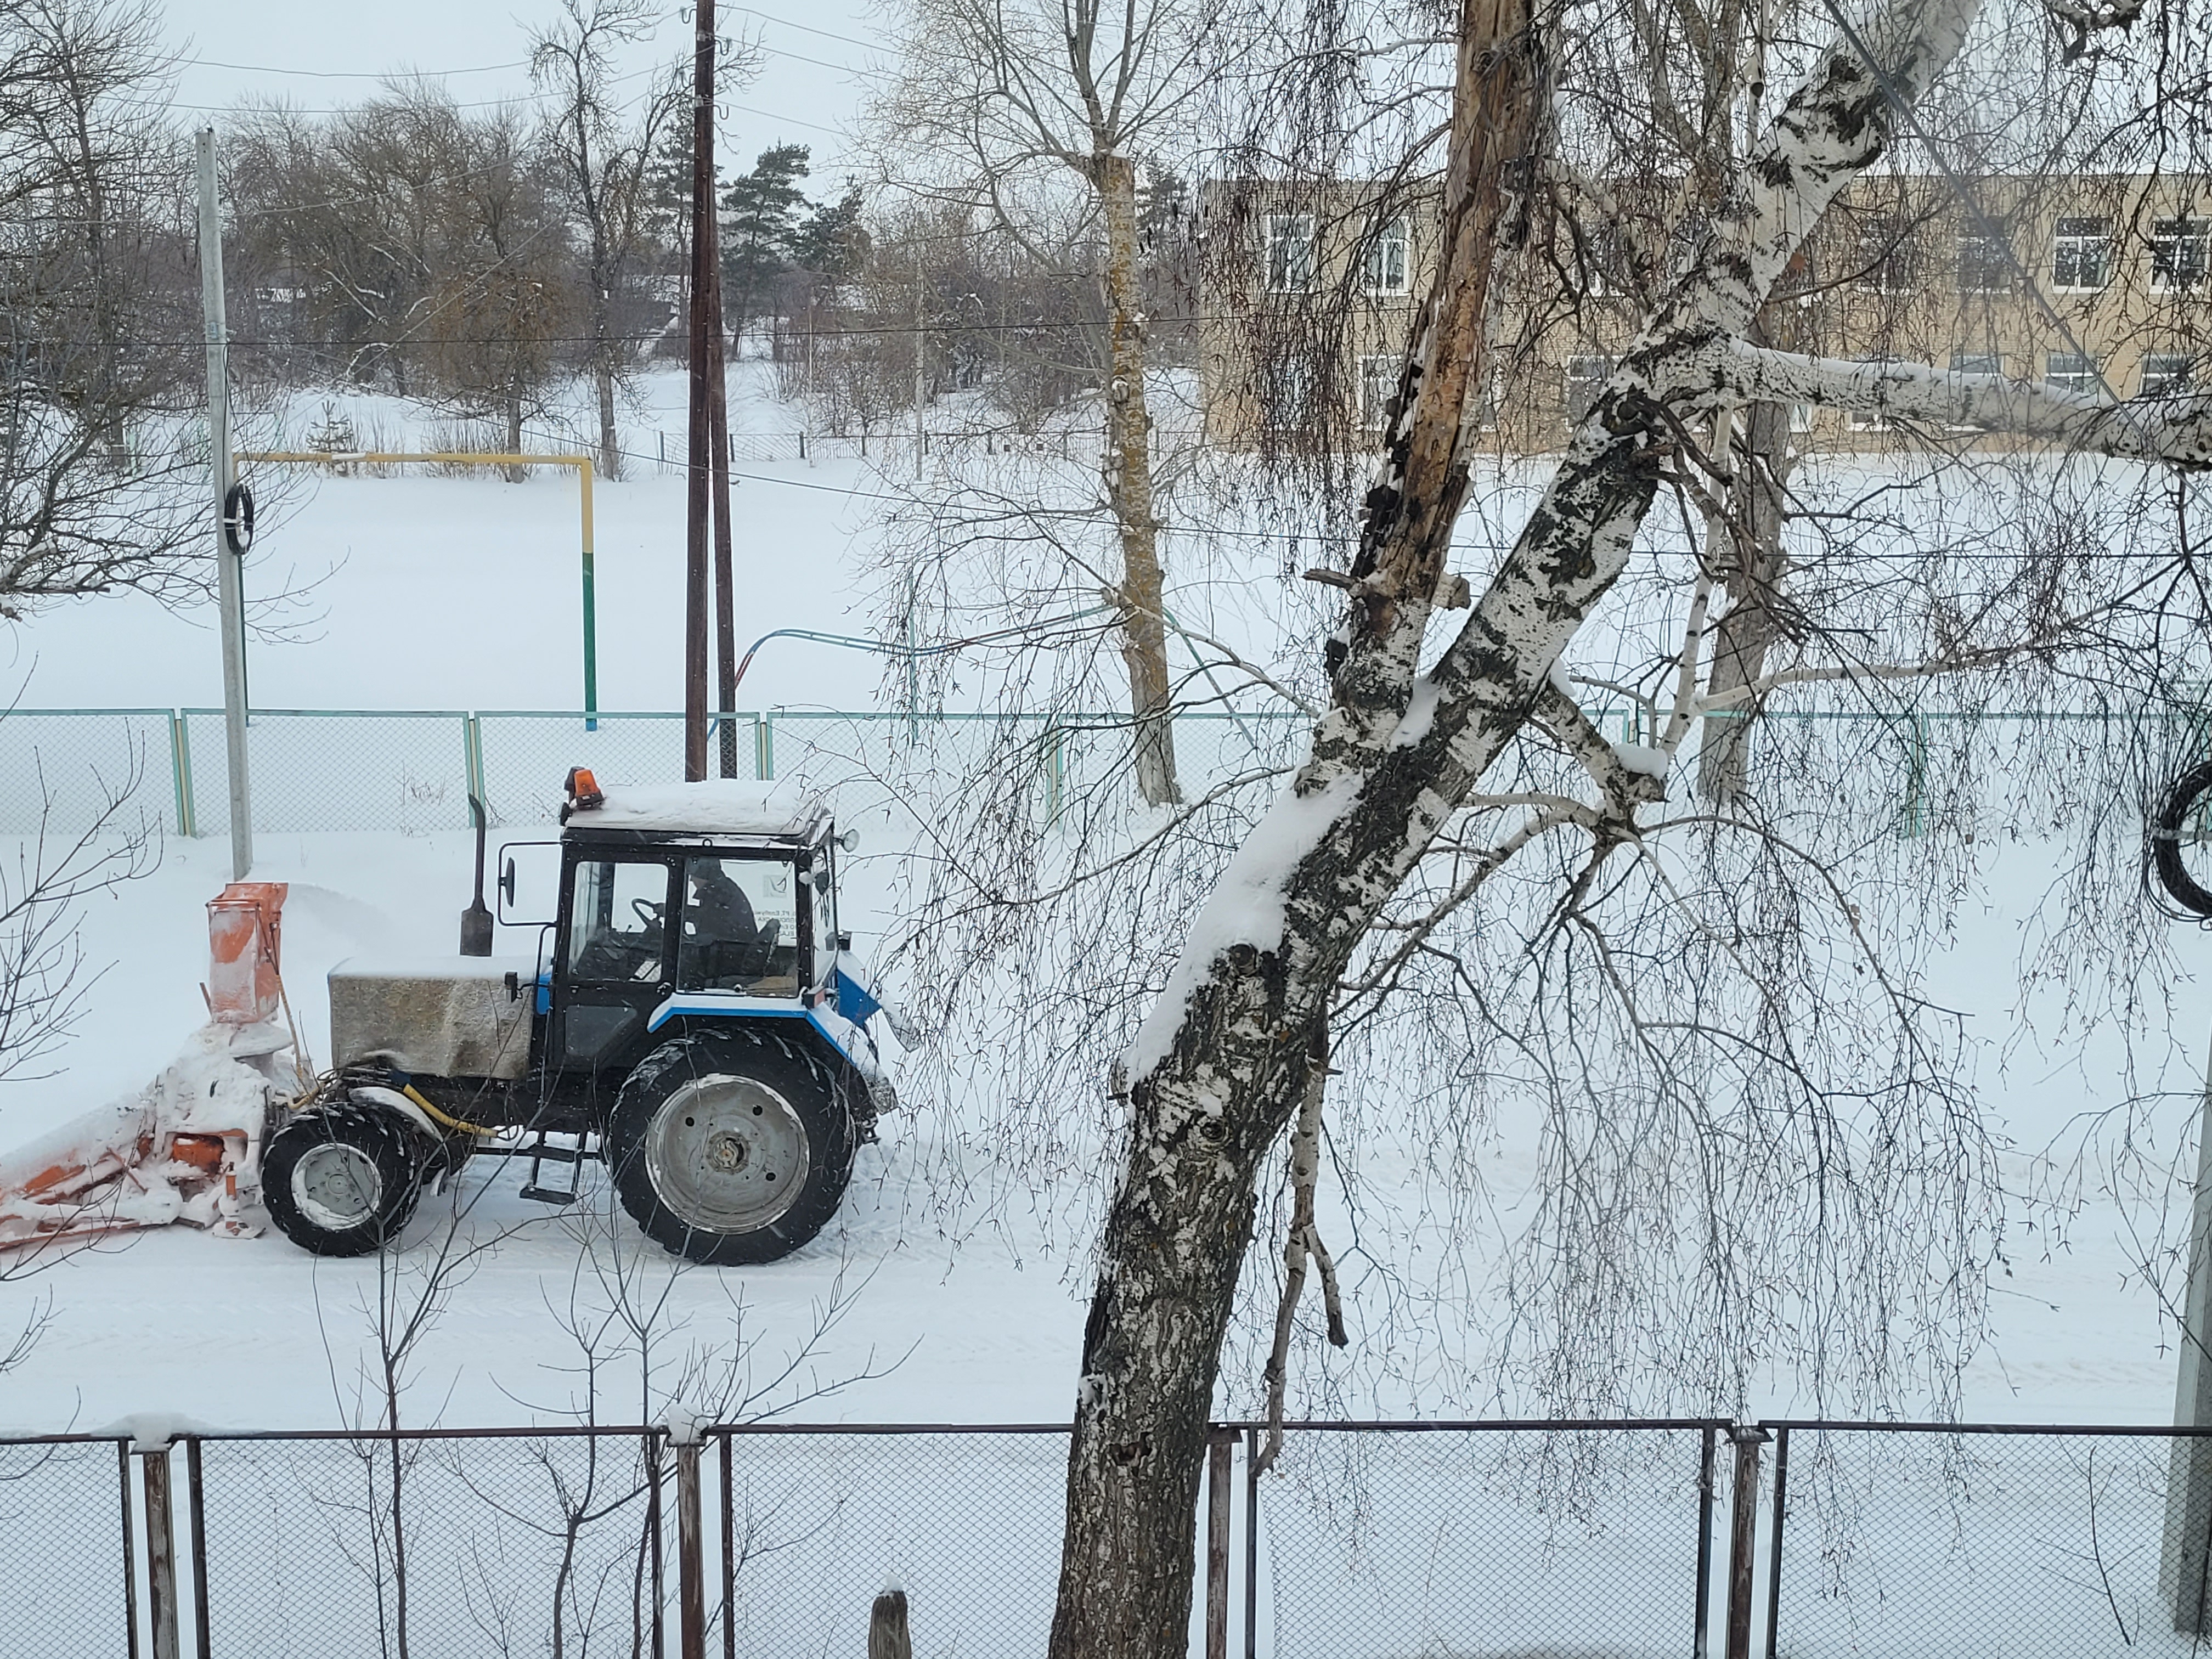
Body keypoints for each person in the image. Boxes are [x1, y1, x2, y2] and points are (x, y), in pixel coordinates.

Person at [686, 859, 758, 947]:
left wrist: (680, 913)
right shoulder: (720, 888)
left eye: (693, 877)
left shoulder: (719, 893)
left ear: (703, 875)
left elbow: (708, 922)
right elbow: (706, 915)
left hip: (731, 949)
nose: (692, 881)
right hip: (733, 945)